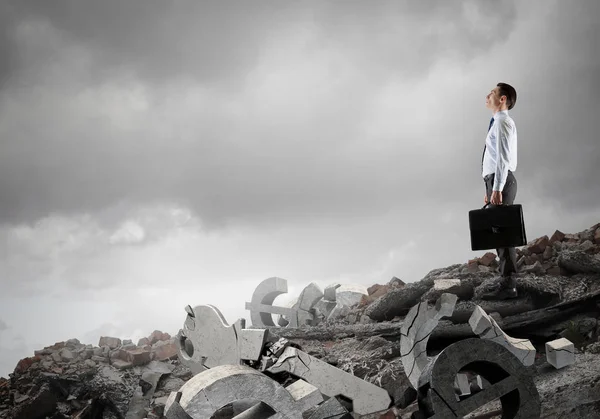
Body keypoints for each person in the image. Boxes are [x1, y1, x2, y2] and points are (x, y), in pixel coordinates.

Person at [480, 82, 519, 300]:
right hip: (495, 180)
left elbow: (503, 158)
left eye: (493, 93)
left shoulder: (503, 122)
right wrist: (489, 187)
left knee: (503, 234)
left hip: (501, 181)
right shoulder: (497, 122)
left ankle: (509, 286)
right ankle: (506, 282)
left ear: (502, 99)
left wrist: (497, 187)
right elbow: (494, 157)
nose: (488, 95)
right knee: (497, 232)